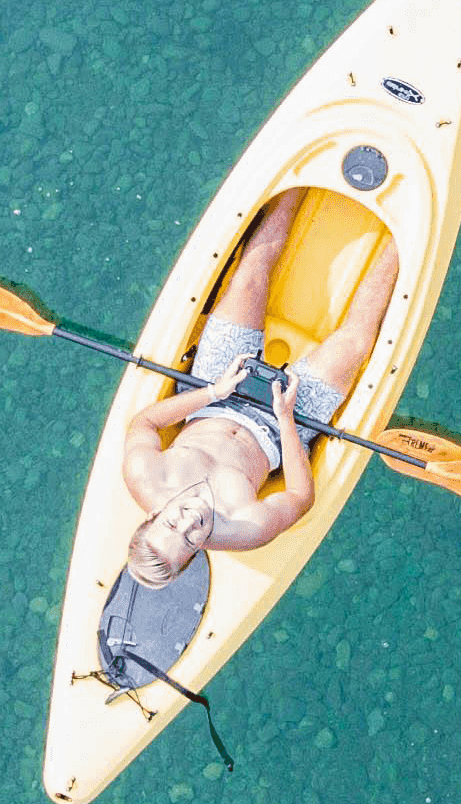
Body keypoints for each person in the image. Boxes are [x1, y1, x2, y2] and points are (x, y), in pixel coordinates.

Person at [118, 189, 398, 584]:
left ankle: (295, 188)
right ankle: (399, 246)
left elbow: (144, 423)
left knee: (249, 278)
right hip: (281, 427)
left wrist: (215, 391)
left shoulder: (143, 475)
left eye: (172, 524)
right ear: (196, 553)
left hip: (214, 392)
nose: (190, 521)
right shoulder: (246, 531)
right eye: (190, 539)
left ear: (152, 515)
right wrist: (285, 419)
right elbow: (300, 497)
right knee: (354, 343)